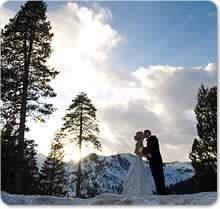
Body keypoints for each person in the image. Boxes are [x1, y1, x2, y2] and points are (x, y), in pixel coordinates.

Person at [122, 131, 152, 195]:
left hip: (138, 160)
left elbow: (140, 151)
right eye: (142, 135)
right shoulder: (139, 142)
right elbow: (136, 152)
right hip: (138, 159)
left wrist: (145, 154)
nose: (143, 136)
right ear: (140, 136)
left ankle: (139, 190)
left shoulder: (140, 142)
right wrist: (145, 155)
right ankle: (137, 190)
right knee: (137, 174)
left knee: (138, 174)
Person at [143, 130, 166, 195]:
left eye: (146, 133)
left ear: (149, 133)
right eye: (145, 133)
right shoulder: (149, 141)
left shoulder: (153, 138)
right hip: (152, 161)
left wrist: (144, 150)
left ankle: (162, 191)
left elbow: (153, 149)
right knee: (155, 176)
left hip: (157, 160)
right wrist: (145, 152)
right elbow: (149, 149)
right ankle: (160, 191)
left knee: (160, 176)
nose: (145, 134)